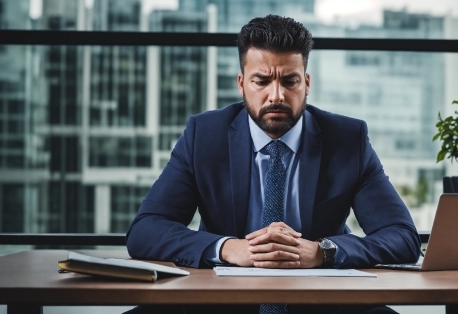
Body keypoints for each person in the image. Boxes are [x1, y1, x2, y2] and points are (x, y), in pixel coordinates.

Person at [125, 14, 420, 314]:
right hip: (221, 303)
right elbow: (146, 230)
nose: (276, 95)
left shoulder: (347, 139)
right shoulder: (204, 136)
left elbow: (402, 236)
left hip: (321, 303)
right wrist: (227, 248)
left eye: (290, 81)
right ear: (242, 84)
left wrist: (322, 252)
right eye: (261, 81)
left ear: (306, 83)